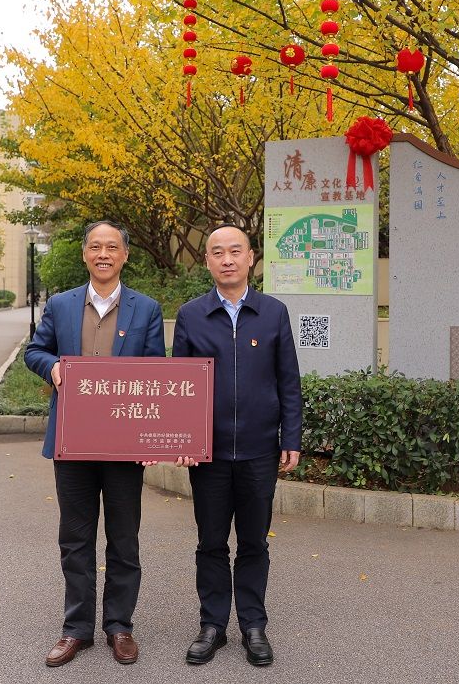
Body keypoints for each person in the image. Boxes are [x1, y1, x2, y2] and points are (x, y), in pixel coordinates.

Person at [24, 221, 165, 668]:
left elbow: (157, 370)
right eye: (96, 247)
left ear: (125, 255)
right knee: (75, 538)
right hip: (73, 441)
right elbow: (34, 350)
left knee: (124, 539)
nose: (104, 254)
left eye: (112, 247)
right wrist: (52, 368)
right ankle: (77, 629)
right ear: (85, 254)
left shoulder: (147, 309)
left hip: (125, 444)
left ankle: (119, 626)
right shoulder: (61, 304)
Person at [172, 224, 302, 667]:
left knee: (253, 543)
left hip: (259, 450)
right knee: (210, 542)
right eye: (217, 252)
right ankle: (212, 625)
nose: (226, 259)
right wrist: (184, 438)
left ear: (250, 258)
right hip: (207, 454)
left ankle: (253, 626)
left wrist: (291, 437)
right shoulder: (191, 315)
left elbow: (288, 381)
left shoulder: (273, 313)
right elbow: (179, 386)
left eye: (235, 251)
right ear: (207, 261)